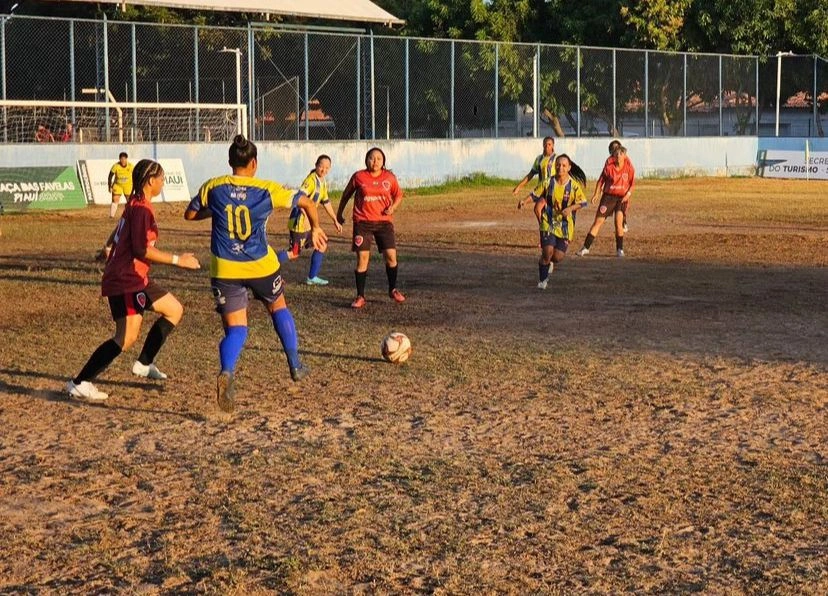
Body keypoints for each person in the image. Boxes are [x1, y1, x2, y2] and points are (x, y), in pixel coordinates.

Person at [184, 135, 328, 414]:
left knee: (237, 328)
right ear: (254, 163)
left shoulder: (214, 186)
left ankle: (226, 372)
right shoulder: (268, 189)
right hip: (261, 265)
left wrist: (215, 211)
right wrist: (316, 228)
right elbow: (308, 203)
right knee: (278, 308)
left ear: (230, 162)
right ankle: (295, 365)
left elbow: (190, 214)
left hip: (225, 268)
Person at [66, 159, 201, 402]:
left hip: (137, 277)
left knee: (174, 309)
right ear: (151, 181)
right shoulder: (142, 209)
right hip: (125, 279)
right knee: (125, 337)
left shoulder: (136, 204)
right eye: (161, 178)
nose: (163, 182)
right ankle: (80, 382)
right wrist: (178, 260)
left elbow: (120, 228)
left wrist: (108, 246)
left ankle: (144, 363)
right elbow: (141, 249)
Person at [336, 147, 405, 309]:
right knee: (363, 260)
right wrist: (339, 214)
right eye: (372, 158)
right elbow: (346, 195)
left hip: (384, 223)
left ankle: (393, 289)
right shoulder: (358, 176)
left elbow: (399, 195)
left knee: (391, 257)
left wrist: (393, 207)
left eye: (378, 159)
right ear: (366, 160)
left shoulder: (389, 177)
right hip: (363, 223)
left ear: (383, 161)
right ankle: (360, 296)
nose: (375, 161)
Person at [277, 154, 342, 285]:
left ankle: (312, 278)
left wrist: (335, 219)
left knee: (322, 245)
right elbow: (300, 197)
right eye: (321, 166)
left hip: (310, 224)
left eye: (327, 167)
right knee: (294, 253)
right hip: (300, 223)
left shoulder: (322, 181)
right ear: (316, 165)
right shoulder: (311, 181)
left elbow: (326, 201)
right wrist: (305, 214)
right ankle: (267, 265)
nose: (323, 170)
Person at [533, 154, 588, 289]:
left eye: (564, 165)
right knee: (547, 252)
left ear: (569, 167)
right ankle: (543, 280)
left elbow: (583, 202)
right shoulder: (548, 182)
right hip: (548, 222)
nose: (560, 167)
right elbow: (534, 194)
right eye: (558, 165)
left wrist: (570, 208)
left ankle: (550, 262)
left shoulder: (574, 187)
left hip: (565, 225)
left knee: (557, 257)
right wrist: (524, 201)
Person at [576, 144, 635, 258]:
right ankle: (585, 248)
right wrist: (596, 194)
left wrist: (627, 195)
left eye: (621, 154)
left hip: (621, 198)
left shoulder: (629, 168)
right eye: (616, 154)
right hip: (608, 197)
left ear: (624, 156)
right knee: (598, 222)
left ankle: (620, 249)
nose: (618, 156)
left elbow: (632, 184)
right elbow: (600, 181)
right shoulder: (609, 168)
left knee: (618, 222)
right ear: (613, 155)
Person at [512, 136, 556, 210]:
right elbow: (530, 175)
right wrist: (518, 187)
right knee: (538, 210)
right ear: (543, 145)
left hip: (553, 189)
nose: (547, 146)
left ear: (553, 146)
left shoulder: (557, 159)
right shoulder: (539, 159)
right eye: (545, 144)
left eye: (549, 144)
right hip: (541, 189)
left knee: (538, 208)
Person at [108, 152, 134, 218]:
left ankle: (130, 214)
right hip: (118, 185)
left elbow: (135, 175)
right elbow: (110, 176)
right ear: (119, 159)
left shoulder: (131, 166)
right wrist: (109, 186)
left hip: (128, 185)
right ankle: (111, 216)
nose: (123, 160)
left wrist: (135, 185)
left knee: (129, 201)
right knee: (115, 199)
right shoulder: (116, 166)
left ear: (126, 159)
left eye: (124, 159)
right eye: (121, 159)